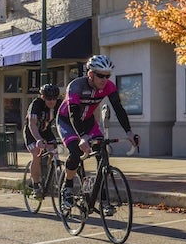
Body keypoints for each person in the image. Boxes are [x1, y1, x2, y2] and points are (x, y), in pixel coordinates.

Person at [56, 55, 138, 215]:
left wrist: (129, 132)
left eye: (108, 76)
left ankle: (104, 199)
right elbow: (73, 115)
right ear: (90, 74)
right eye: (100, 75)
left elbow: (119, 109)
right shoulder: (76, 86)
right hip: (68, 121)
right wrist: (82, 137)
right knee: (76, 151)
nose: (104, 79)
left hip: (88, 121)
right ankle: (68, 186)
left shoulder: (109, 87)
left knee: (102, 155)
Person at [24, 83, 61, 192]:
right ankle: (35, 184)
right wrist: (38, 139)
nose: (52, 101)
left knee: (54, 151)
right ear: (43, 97)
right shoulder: (36, 104)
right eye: (49, 99)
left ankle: (49, 173)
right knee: (36, 154)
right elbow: (32, 124)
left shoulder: (59, 104)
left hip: (46, 130)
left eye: (54, 98)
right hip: (32, 132)